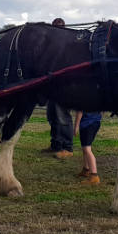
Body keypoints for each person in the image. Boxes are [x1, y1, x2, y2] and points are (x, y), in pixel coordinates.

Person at [43, 17, 74, 159]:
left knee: (63, 117)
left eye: (58, 27)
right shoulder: (52, 45)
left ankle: (67, 147)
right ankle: (56, 144)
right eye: (54, 27)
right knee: (52, 116)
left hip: (63, 86)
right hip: (52, 86)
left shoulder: (67, 45)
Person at [74, 110, 101, 184]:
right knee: (85, 147)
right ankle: (86, 169)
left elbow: (79, 111)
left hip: (87, 124)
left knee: (87, 149)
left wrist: (76, 126)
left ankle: (94, 176)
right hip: (96, 122)